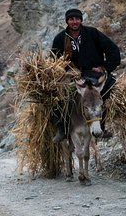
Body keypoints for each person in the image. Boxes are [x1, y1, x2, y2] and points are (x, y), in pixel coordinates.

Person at [51, 8, 121, 142]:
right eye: (71, 19)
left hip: (93, 75)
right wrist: (67, 71)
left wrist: (104, 67)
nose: (74, 22)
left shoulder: (92, 33)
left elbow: (113, 50)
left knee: (110, 87)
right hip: (71, 77)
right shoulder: (60, 39)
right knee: (55, 95)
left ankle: (102, 125)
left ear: (81, 20)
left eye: (77, 19)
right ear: (67, 21)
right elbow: (53, 61)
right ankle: (62, 128)